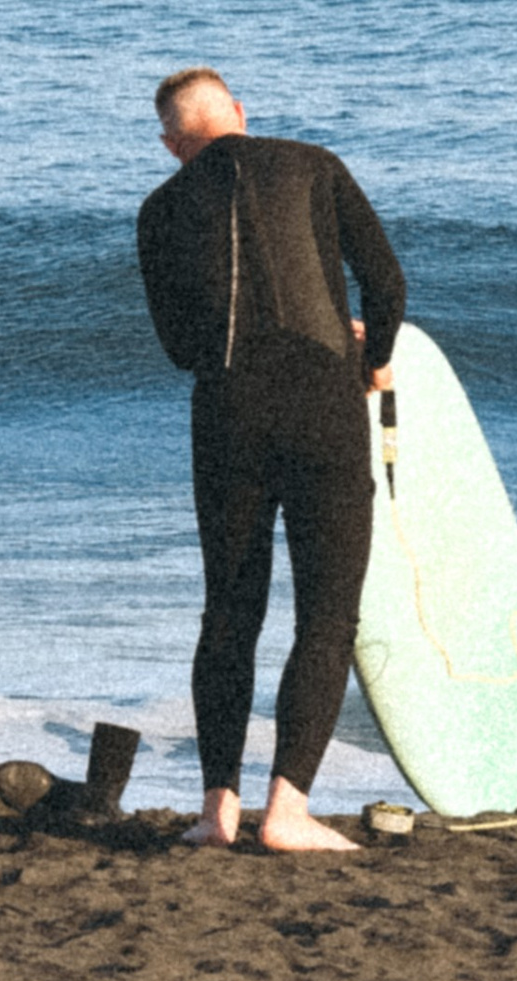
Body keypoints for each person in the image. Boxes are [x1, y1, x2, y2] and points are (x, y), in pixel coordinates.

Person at [136, 67, 405, 853]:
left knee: (230, 611)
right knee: (327, 614)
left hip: (227, 415)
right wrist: (376, 359)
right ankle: (287, 811)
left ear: (170, 144)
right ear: (241, 115)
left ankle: (217, 811)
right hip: (323, 403)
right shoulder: (315, 165)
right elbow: (386, 281)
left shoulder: (159, 209)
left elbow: (180, 346)